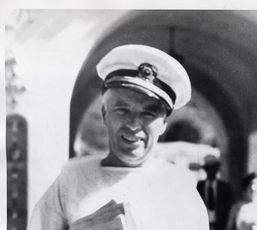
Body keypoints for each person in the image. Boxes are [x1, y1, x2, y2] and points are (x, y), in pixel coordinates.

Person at [28, 44, 209, 230]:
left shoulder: (181, 192)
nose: (133, 124)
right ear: (105, 113)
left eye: (148, 114)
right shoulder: (70, 184)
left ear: (163, 124)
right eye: (122, 110)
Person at [197, 155, 234, 230]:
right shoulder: (199, 186)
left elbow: (230, 207)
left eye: (213, 168)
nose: (211, 171)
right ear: (205, 170)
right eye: (208, 168)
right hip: (203, 225)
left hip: (220, 226)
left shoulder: (225, 187)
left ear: (217, 169)